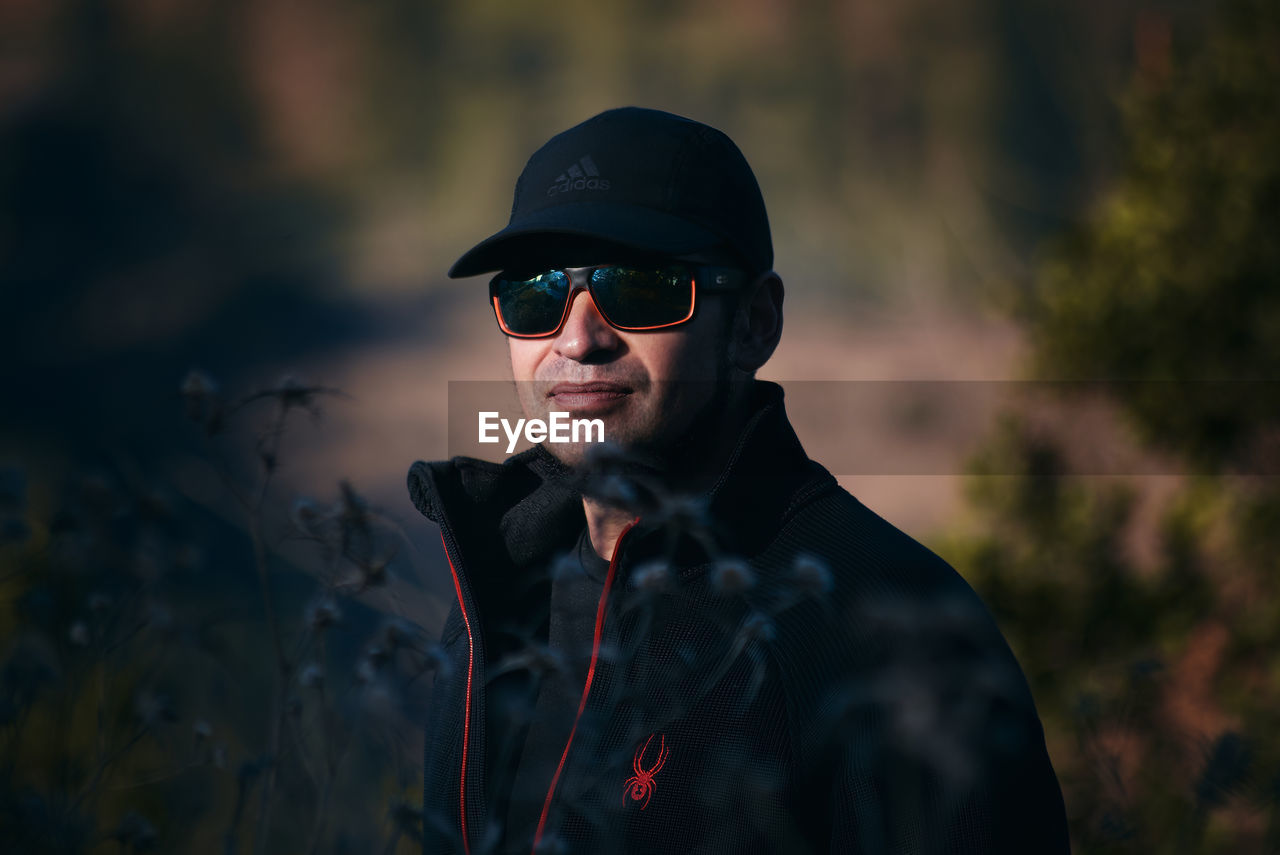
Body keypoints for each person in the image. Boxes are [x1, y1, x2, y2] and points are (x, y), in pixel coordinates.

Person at [407, 106, 1070, 855]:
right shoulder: (493, 602)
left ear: (756, 321)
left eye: (641, 287)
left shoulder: (892, 630)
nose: (577, 336)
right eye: (535, 292)